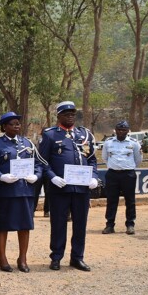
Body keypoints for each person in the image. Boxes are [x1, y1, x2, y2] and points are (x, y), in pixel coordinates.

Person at [38, 101, 98, 272]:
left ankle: (77, 258)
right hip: (59, 188)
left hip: (81, 189)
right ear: (59, 116)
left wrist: (94, 176)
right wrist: (52, 177)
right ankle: (56, 257)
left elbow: (92, 159)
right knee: (58, 223)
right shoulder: (50, 135)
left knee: (80, 224)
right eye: (66, 114)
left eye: (73, 113)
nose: (70, 116)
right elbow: (42, 161)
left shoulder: (84, 134)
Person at [0, 112, 44, 273]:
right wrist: (1, 176)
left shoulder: (27, 143)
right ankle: (2, 257)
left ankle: (23, 258)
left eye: (18, 123)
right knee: (3, 225)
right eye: (13, 124)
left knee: (25, 225)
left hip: (25, 190)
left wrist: (36, 175)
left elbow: (38, 164)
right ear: (4, 127)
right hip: (4, 191)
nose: (17, 126)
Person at [102, 120, 142, 235]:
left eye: (124, 129)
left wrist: (127, 167)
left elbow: (138, 159)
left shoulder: (134, 143)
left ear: (128, 131)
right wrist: (114, 166)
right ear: (115, 130)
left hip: (128, 175)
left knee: (130, 201)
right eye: (119, 129)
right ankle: (109, 225)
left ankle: (130, 225)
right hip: (112, 174)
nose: (121, 131)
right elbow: (105, 158)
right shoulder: (108, 142)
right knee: (111, 200)